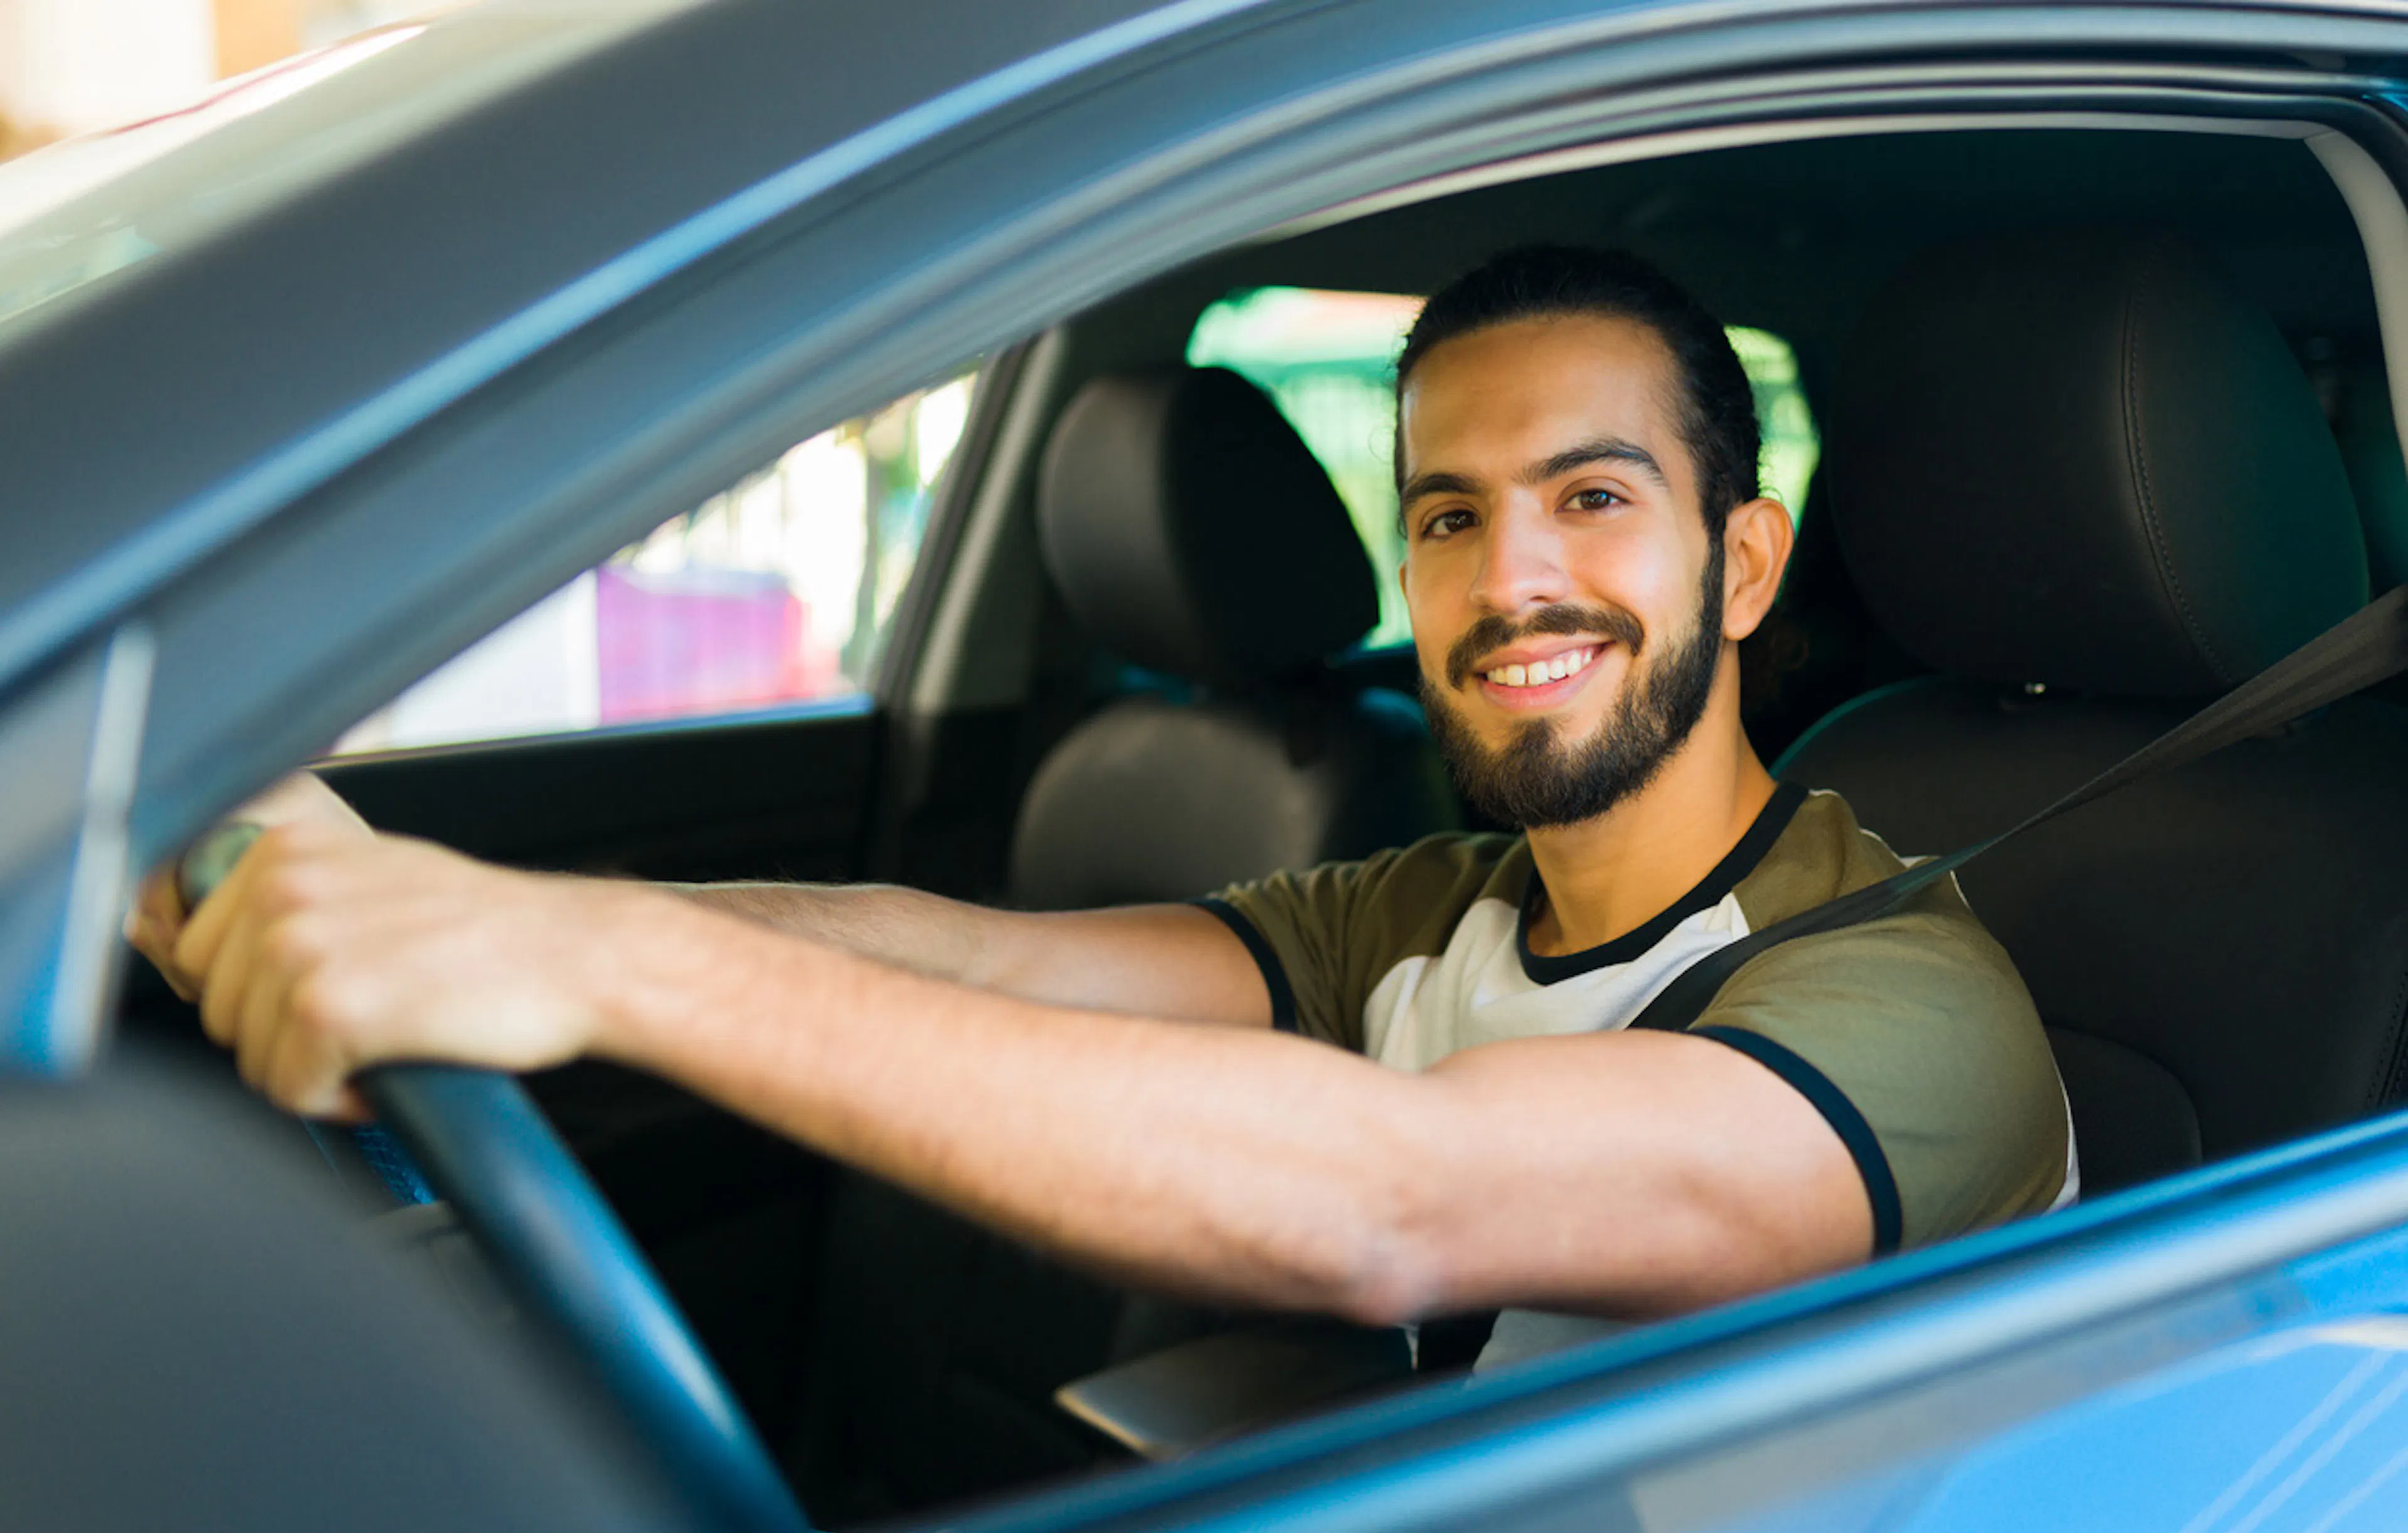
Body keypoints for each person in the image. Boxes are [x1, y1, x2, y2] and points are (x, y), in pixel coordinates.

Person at [129, 245, 2073, 1371]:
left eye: (1591, 499)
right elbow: (982, 962)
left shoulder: (1901, 996)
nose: (1508, 584)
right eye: (1449, 517)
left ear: (1741, 567)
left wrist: (598, 961)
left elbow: (1390, 1206)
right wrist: (422, 904)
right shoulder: (1436, 908)